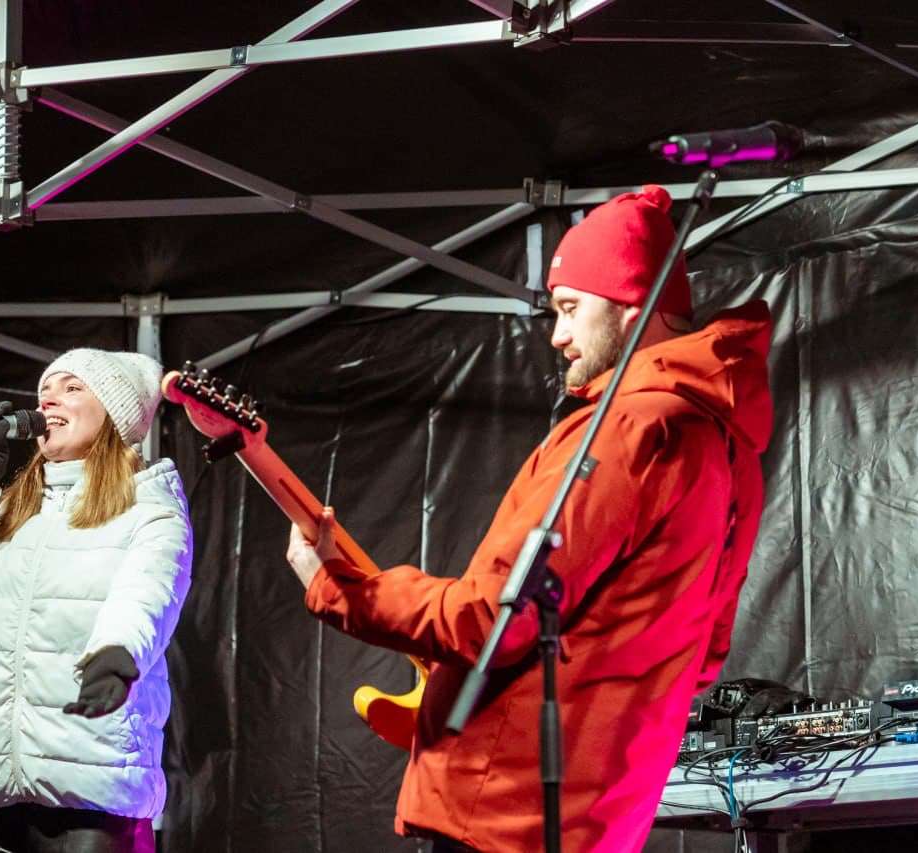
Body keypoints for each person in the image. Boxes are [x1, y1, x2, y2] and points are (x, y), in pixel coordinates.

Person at [286, 185, 772, 852]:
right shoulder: (732, 449)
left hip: (500, 812)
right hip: (602, 821)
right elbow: (707, 655)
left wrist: (337, 586)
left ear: (631, 307)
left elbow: (494, 616)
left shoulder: (624, 429)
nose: (557, 333)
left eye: (571, 308)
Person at [0, 348, 192, 853]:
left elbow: (147, 596)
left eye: (72, 388)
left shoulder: (151, 511)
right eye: (45, 390)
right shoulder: (18, 511)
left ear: (115, 417)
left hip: (93, 801)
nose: (49, 398)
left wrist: (116, 657)